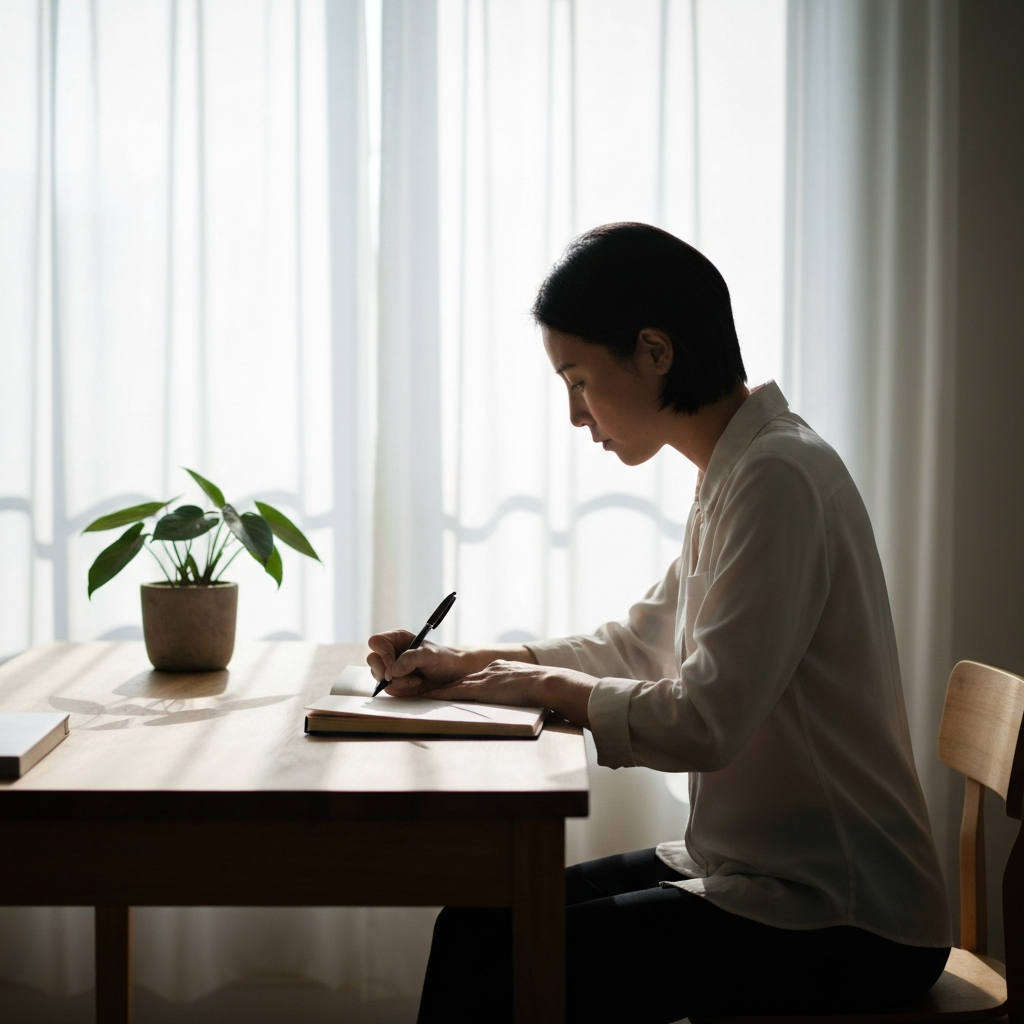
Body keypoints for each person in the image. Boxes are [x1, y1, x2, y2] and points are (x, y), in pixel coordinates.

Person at [367, 223, 951, 1024]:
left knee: (495, 965)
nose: (576, 415)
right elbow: (640, 644)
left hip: (844, 913)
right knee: (475, 929)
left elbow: (705, 722)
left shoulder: (777, 477)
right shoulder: (739, 471)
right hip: (756, 871)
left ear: (654, 351)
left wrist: (533, 682)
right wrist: (469, 664)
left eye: (578, 379)